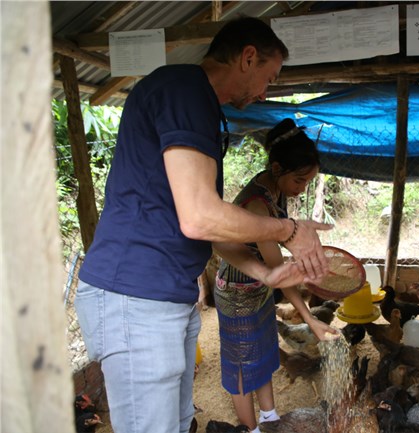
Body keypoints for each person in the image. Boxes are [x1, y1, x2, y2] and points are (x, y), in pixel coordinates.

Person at [74, 17, 331, 433]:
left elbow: (207, 227)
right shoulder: (184, 91)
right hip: (135, 297)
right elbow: (200, 217)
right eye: (269, 76)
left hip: (161, 299)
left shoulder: (200, 107)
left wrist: (265, 272)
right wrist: (289, 231)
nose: (267, 91)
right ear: (248, 57)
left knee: (176, 424)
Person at [214, 119, 338, 433]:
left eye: (308, 181)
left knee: (266, 353)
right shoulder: (258, 204)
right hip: (237, 292)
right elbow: (277, 272)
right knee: (243, 367)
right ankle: (251, 429)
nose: (302, 188)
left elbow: (277, 273)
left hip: (260, 285)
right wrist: (310, 320)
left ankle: (270, 419)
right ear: (278, 168)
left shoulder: (274, 188)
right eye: (299, 180)